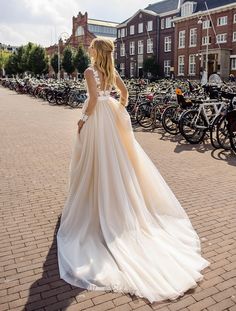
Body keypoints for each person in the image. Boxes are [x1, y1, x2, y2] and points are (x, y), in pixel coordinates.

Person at [57, 38, 210, 303]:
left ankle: (93, 202)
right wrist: (118, 108)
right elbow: (125, 94)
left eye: (91, 47)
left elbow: (92, 99)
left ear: (96, 51)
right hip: (110, 118)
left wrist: (82, 120)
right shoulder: (111, 72)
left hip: (96, 119)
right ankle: (114, 198)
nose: (89, 50)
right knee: (116, 161)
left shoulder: (90, 71)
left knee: (93, 160)